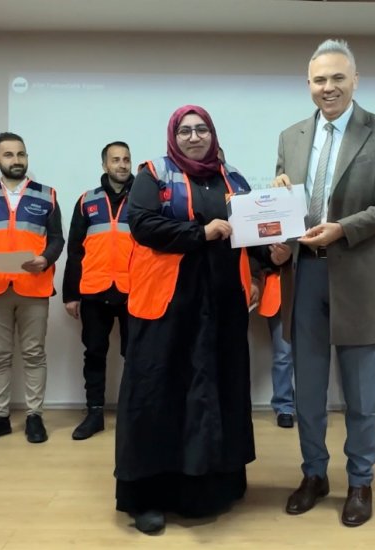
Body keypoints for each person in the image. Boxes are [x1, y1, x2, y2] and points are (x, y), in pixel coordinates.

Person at [270, 39, 375, 528]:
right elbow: (284, 200)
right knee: (307, 389)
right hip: (304, 273)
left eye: (336, 78)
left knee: (360, 393)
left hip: (357, 273)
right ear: (307, 84)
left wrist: (344, 228)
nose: (327, 87)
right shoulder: (290, 136)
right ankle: (314, 474)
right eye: (318, 80)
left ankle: (360, 482)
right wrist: (277, 217)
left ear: (354, 80)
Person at [114, 105, 261, 534]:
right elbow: (142, 225)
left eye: (201, 130)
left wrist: (273, 254)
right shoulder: (153, 174)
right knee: (157, 394)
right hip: (166, 306)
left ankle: (211, 489)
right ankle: (147, 497)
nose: (194, 137)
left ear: (212, 134)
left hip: (221, 306)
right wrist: (201, 232)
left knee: (216, 390)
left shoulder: (235, 179)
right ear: (173, 137)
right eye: (185, 131)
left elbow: (250, 234)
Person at [0, 133, 64, 444]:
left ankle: (34, 416)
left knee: (34, 354)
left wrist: (46, 259)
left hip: (34, 285)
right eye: (8, 155)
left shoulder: (47, 195)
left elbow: (57, 239)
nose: (16, 160)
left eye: (21, 154)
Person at [63, 141, 133, 440]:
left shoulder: (143, 198)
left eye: (126, 159)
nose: (122, 164)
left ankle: (132, 414)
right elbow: (74, 249)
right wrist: (71, 294)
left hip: (133, 289)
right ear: (105, 165)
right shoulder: (86, 201)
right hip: (94, 290)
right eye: (115, 159)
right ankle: (94, 414)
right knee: (94, 353)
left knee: (135, 355)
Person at [257, 270, 295, 428]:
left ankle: (310, 406)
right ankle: (284, 407)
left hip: (309, 286)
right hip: (277, 288)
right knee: (283, 354)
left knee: (311, 355)